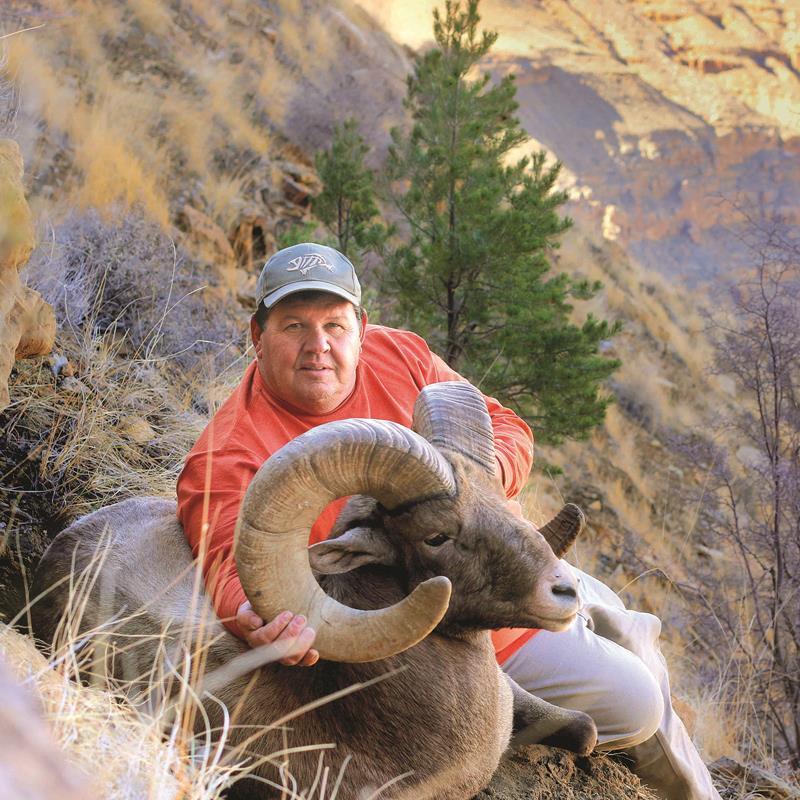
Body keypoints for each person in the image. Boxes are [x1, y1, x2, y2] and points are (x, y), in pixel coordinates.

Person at [176, 243, 721, 800]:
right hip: (447, 630)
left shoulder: (398, 354)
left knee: (625, 628)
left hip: (506, 555)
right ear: (257, 334)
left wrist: (478, 481)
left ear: (361, 327)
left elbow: (505, 427)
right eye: (294, 325)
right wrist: (263, 616)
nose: (319, 345)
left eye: (335, 325)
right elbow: (231, 566)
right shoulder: (228, 456)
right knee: (641, 702)